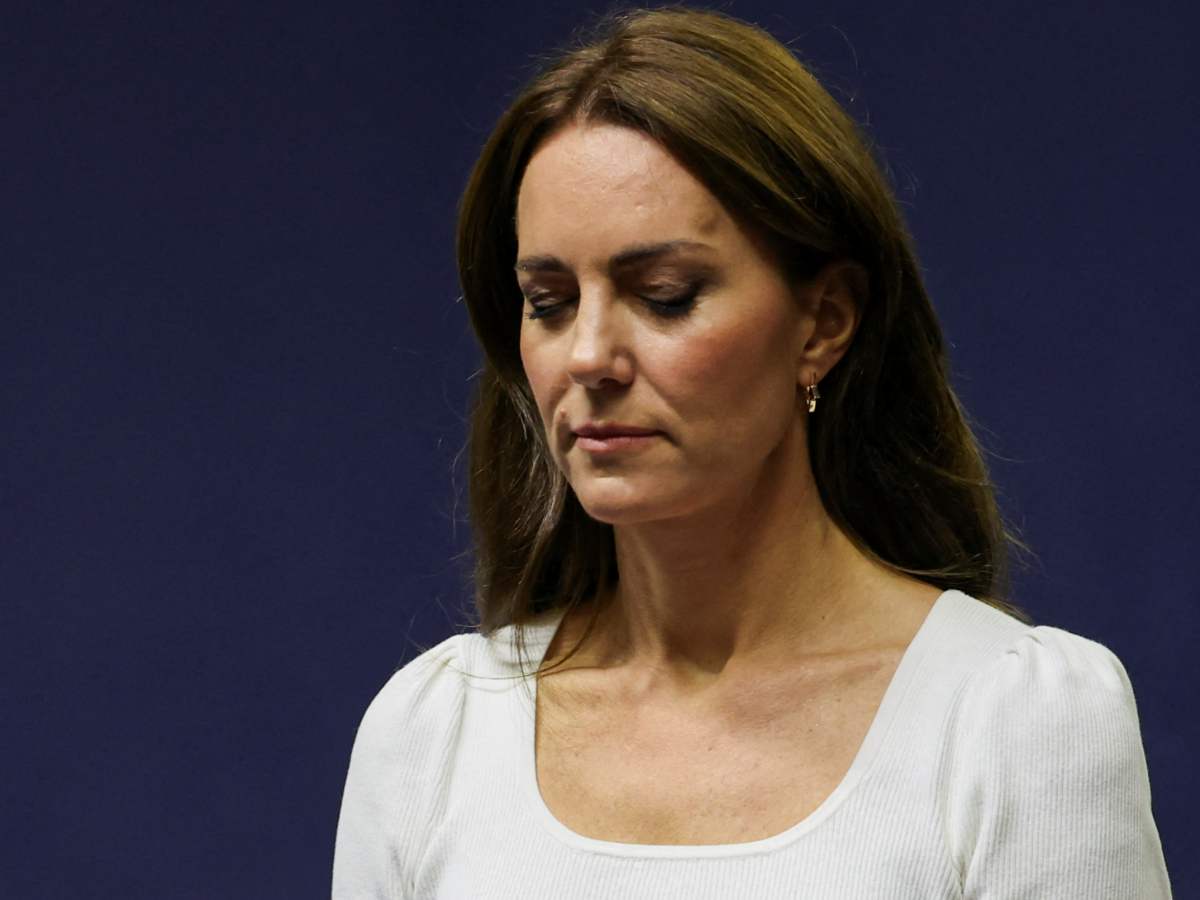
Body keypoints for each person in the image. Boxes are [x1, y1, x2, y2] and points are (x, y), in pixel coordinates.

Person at [332, 6, 1172, 898]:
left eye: (664, 294)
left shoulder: (1011, 724)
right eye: (549, 303)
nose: (588, 356)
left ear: (824, 323)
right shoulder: (436, 734)